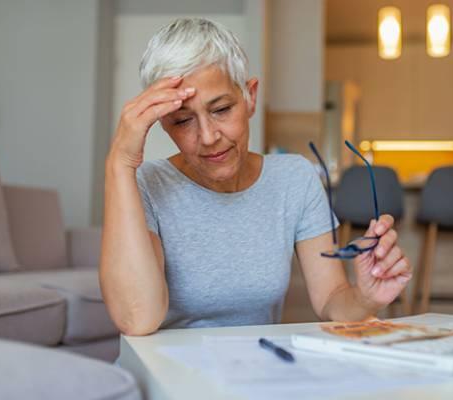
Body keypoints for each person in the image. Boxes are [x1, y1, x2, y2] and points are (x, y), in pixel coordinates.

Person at [100, 18, 412, 336]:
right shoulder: (147, 185)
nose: (208, 137)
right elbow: (137, 319)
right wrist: (119, 164)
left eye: (221, 109)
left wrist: (365, 298)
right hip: (170, 375)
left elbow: (332, 298)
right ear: (163, 124)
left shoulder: (295, 179)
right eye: (182, 121)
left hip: (255, 371)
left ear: (250, 97)